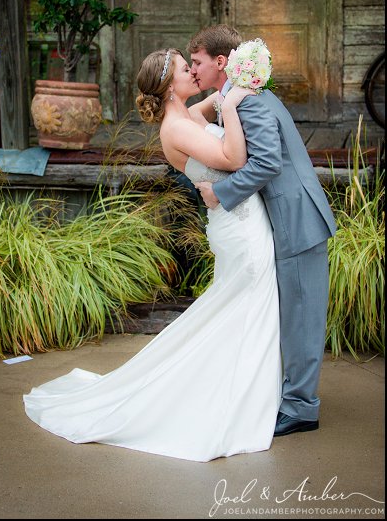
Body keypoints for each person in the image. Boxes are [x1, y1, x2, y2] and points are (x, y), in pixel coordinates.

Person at [23, 46, 282, 462]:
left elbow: (203, 108)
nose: (193, 72)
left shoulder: (183, 117)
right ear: (169, 86)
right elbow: (235, 158)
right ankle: (238, 400)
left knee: (237, 311)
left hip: (239, 221)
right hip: (239, 229)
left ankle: (243, 389)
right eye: (185, 68)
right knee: (244, 309)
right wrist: (232, 105)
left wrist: (234, 81)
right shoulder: (176, 129)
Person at [188, 24, 337, 437]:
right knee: (292, 316)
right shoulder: (239, 96)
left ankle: (302, 409)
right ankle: (291, 397)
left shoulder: (248, 102)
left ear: (221, 62)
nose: (193, 69)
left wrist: (220, 193)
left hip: (297, 219)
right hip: (287, 218)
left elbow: (268, 163)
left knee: (302, 319)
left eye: (197, 62)